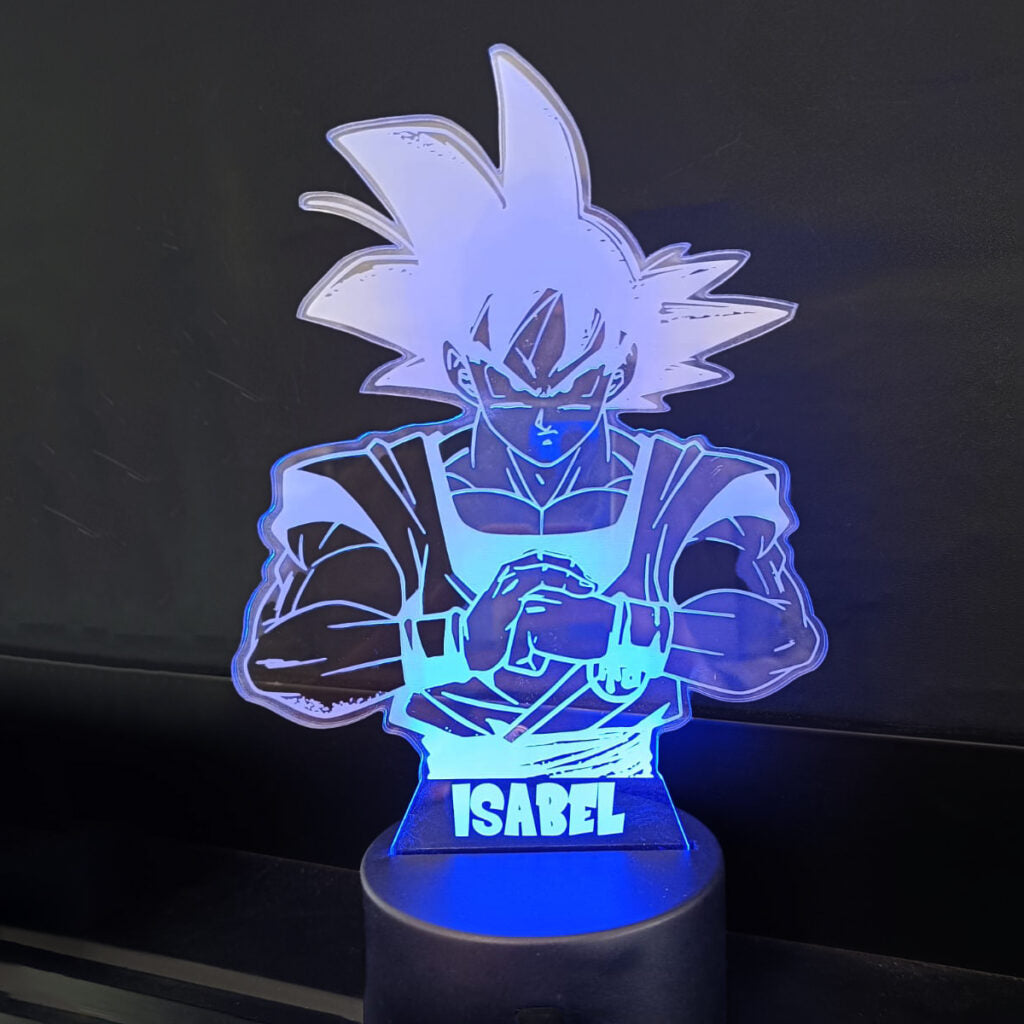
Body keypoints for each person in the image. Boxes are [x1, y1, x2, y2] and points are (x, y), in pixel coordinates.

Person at [233, 46, 826, 784]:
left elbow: (785, 639)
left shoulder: (696, 484)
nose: (544, 418)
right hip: (452, 791)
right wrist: (457, 639)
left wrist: (622, 628)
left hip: (625, 788)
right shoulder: (374, 487)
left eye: (577, 390)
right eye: (512, 390)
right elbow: (283, 661)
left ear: (619, 372)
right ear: (461, 372)